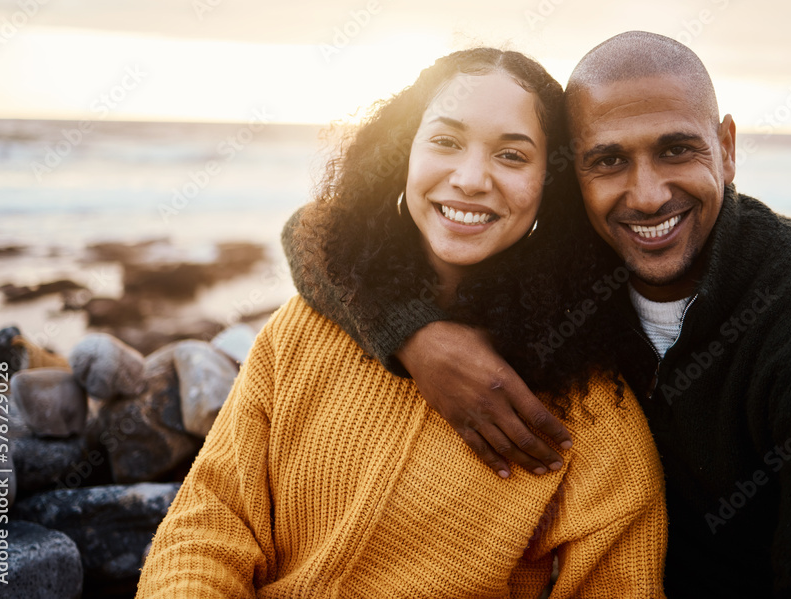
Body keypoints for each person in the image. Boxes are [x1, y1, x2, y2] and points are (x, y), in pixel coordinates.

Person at [284, 32, 791, 597]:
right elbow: (317, 232)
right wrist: (415, 336)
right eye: (609, 160)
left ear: (727, 147)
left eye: (677, 149)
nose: (648, 194)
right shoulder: (564, 275)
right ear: (571, 175)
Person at [136, 48, 668, 598]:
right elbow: (209, 522)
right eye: (445, 141)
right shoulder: (302, 329)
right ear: (402, 153)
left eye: (511, 155)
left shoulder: (589, 411)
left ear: (550, 185)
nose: (469, 178)